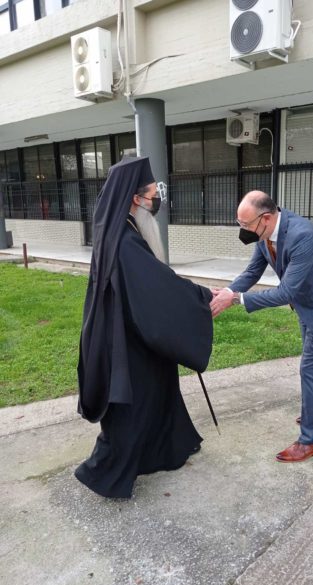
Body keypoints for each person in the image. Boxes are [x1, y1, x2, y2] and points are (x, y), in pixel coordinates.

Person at [75, 156, 213, 498]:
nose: (157, 200)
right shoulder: (125, 240)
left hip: (134, 330)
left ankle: (164, 449)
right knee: (133, 404)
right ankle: (104, 473)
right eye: (153, 194)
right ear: (135, 199)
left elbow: (154, 282)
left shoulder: (121, 229)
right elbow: (158, 288)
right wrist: (201, 296)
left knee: (159, 387)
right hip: (127, 341)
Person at [210, 191, 313, 463]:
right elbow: (253, 271)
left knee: (310, 369)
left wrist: (237, 299)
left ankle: (309, 441)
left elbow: (285, 292)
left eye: (246, 224)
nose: (243, 230)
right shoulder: (265, 235)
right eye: (240, 224)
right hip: (306, 304)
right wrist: (228, 291)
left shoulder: (304, 235)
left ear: (265, 218)